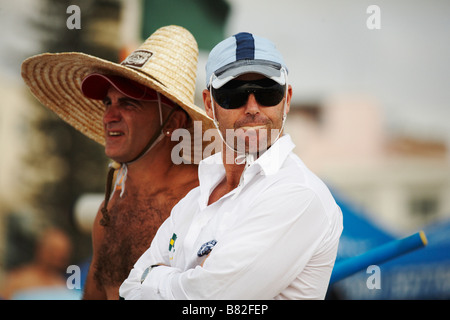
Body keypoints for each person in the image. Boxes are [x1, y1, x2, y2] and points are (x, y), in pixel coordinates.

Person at [119, 32, 343, 300]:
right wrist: (193, 279)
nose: (252, 107)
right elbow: (128, 290)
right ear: (209, 104)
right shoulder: (193, 201)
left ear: (287, 99)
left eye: (267, 92)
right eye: (233, 94)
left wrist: (156, 276)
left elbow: (211, 299)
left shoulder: (299, 193)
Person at [21, 25, 215, 299]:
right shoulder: (108, 211)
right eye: (107, 102)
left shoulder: (206, 201)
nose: (108, 116)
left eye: (128, 103)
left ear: (173, 122)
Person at [0, 228, 78, 300]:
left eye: (63, 253)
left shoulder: (63, 285)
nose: (59, 256)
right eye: (54, 251)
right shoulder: (18, 281)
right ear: (40, 249)